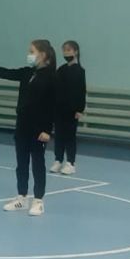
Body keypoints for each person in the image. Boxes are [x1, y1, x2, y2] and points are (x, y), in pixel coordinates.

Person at [0, 40, 56, 216]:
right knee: (21, 163)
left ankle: (38, 200)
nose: (29, 55)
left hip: (39, 129)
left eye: (32, 51)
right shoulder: (27, 72)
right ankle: (22, 197)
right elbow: (6, 73)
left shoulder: (51, 77)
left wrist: (47, 130)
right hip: (22, 125)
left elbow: (52, 106)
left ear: (43, 55)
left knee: (37, 163)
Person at [51, 40, 86, 176]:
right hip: (59, 108)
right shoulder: (61, 70)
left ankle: (71, 162)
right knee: (59, 135)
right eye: (64, 50)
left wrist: (80, 109)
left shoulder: (80, 71)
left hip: (72, 110)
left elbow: (81, 91)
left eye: (69, 50)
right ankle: (58, 160)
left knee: (70, 136)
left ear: (75, 52)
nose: (66, 53)